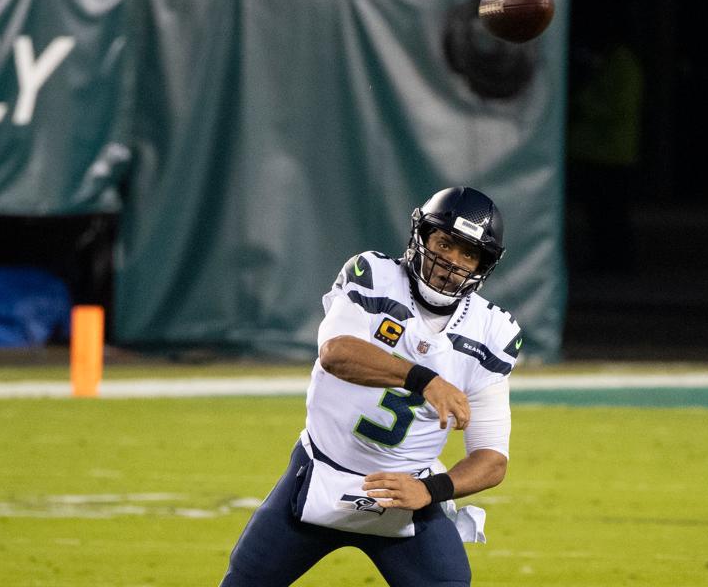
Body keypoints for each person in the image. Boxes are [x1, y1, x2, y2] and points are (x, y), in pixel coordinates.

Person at [221, 186, 522, 586]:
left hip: (407, 490)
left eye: (468, 253)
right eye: (445, 243)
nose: (452, 261)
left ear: (483, 266)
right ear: (422, 237)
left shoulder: (492, 332)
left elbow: (491, 459)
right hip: (321, 471)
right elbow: (336, 353)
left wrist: (430, 490)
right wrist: (423, 379)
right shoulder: (374, 275)